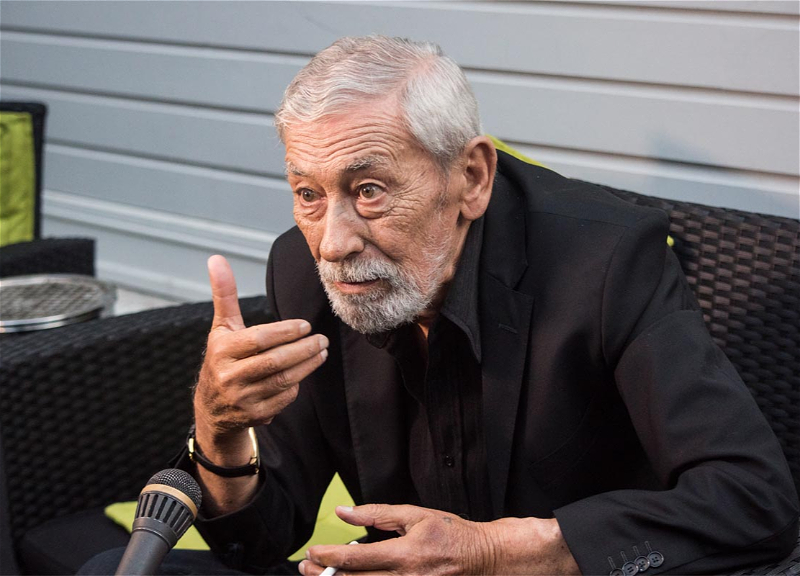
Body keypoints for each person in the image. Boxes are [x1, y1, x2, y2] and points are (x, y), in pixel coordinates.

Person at [83, 36, 798, 575]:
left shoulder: (608, 263)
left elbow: (754, 501)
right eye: (308, 193)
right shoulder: (303, 268)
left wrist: (493, 550)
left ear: (472, 178)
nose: (332, 242)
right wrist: (218, 432)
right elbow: (263, 540)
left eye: (369, 190)